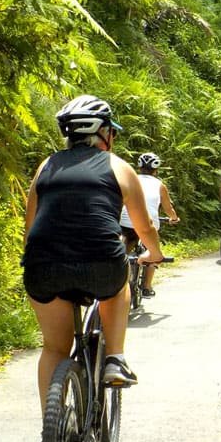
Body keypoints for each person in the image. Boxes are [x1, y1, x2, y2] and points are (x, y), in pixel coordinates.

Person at [23, 95, 165, 408]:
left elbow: (30, 226)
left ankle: (53, 424)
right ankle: (115, 358)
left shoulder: (46, 166)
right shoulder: (119, 167)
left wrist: (36, 264)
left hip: (43, 267)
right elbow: (143, 227)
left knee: (54, 348)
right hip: (101, 264)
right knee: (119, 285)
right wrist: (154, 253)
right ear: (104, 133)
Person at [120, 152, 180, 297]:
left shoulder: (129, 179)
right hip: (148, 223)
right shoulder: (159, 185)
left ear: (139, 167)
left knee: (122, 252)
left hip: (125, 222)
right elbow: (168, 208)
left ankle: (120, 281)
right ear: (156, 170)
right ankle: (147, 287)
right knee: (153, 251)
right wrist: (174, 218)